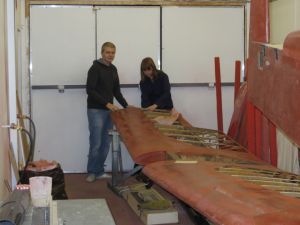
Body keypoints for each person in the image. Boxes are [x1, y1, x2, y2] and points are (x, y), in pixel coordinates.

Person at [85, 42, 128, 182]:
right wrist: (107, 103)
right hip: (96, 110)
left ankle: (99, 171)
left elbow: (116, 91)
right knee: (96, 142)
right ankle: (91, 172)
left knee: (106, 143)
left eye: (113, 52)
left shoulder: (113, 69)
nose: (110, 55)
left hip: (109, 111)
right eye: (108, 52)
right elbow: (90, 90)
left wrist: (126, 106)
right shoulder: (95, 68)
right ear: (102, 53)